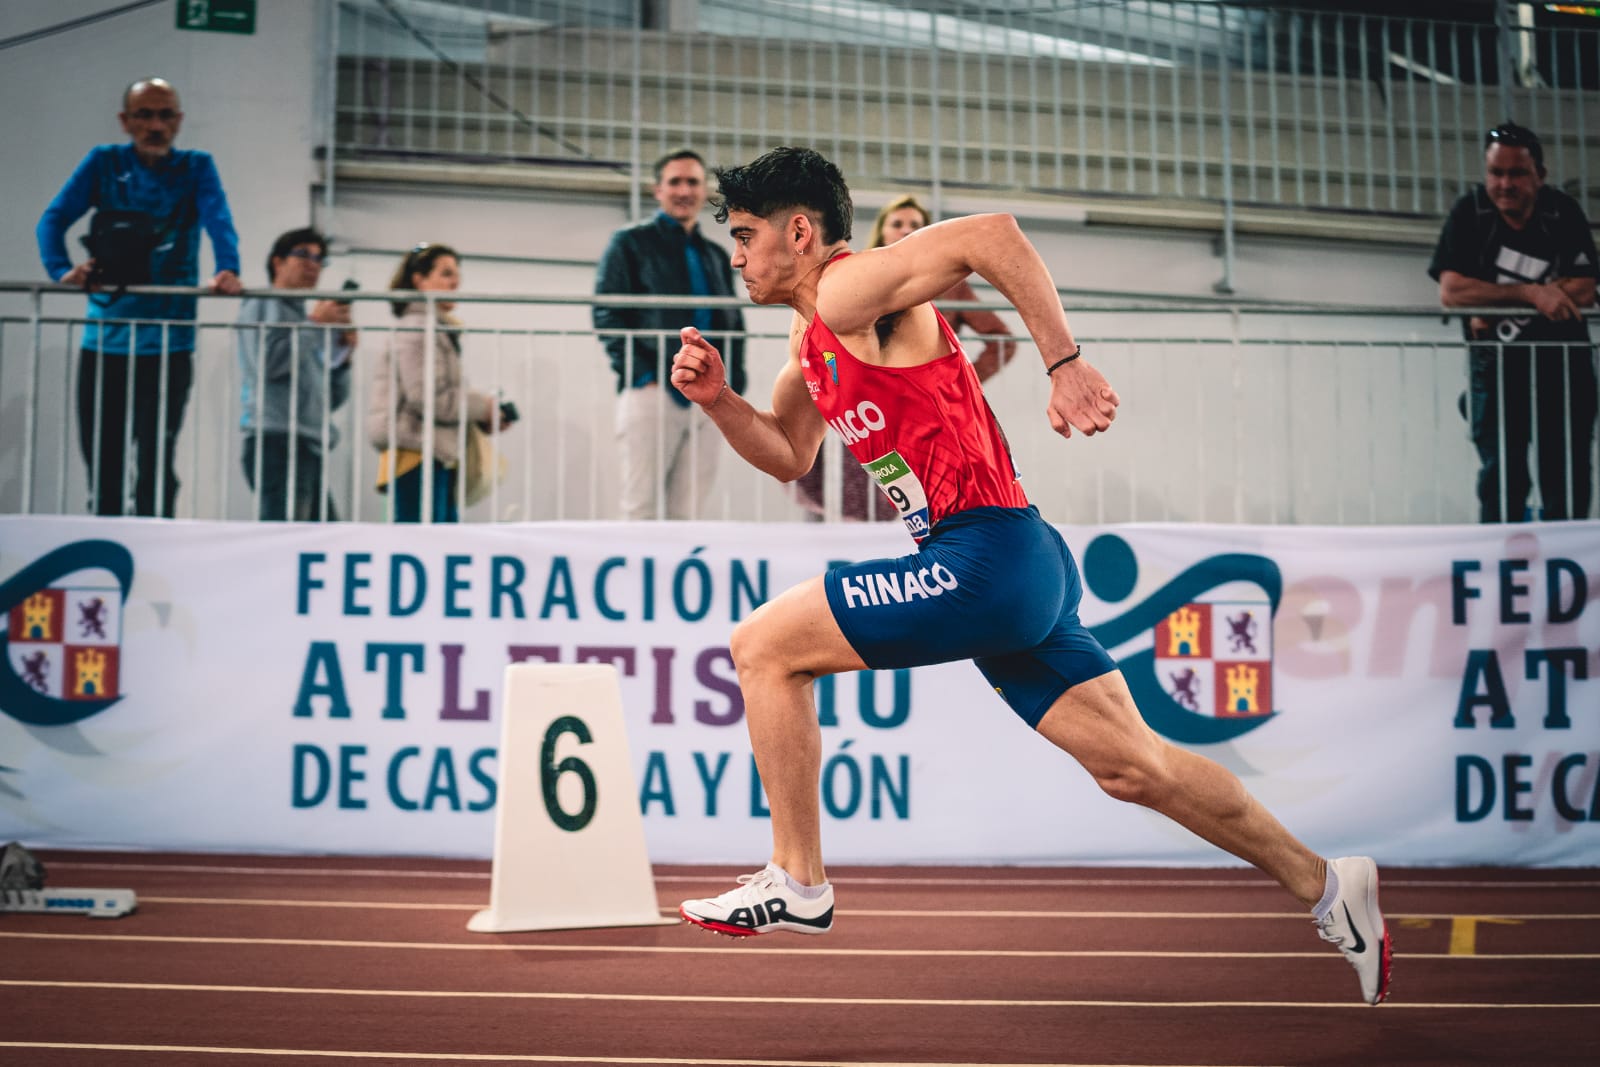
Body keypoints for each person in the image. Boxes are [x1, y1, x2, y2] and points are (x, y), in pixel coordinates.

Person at [670, 147, 1392, 1006]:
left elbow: (991, 235)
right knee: (1137, 767)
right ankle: (1326, 883)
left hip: (982, 556)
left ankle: (798, 877)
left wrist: (1063, 360)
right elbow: (790, 452)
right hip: (1021, 562)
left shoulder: (844, 289)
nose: (737, 256)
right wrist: (719, 402)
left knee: (763, 645)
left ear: (800, 232)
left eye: (747, 236)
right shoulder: (811, 339)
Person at [36, 76, 243, 517]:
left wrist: (228, 267)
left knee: (156, 463)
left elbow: (217, 219)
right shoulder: (103, 163)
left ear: (179, 121)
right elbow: (51, 220)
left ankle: (156, 552)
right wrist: (61, 270)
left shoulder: (197, 167)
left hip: (170, 343)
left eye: (165, 115)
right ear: (125, 121)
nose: (155, 125)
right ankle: (108, 551)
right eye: (144, 115)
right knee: (103, 464)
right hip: (105, 341)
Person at [793, 193, 1019, 521]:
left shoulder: (950, 285)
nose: (905, 230)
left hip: (924, 417)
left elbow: (1002, 340)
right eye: (897, 223)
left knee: (916, 507)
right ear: (882, 231)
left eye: (915, 224)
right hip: (866, 407)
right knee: (847, 499)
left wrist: (958, 382)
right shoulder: (859, 275)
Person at [1429, 122, 1598, 522]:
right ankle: (1499, 571)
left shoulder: (1563, 211)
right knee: (1501, 480)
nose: (1505, 183)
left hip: (1563, 370)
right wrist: (1532, 294)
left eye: (1517, 173)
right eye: (1495, 173)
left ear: (1540, 175)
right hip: (1496, 370)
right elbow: (1452, 292)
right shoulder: (1470, 213)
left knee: (1566, 479)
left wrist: (1492, 304)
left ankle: (1567, 573)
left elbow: (1587, 288)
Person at [594, 148, 747, 520]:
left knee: (690, 510)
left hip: (710, 395)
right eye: (675, 181)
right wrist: (641, 374)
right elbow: (607, 312)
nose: (684, 190)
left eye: (693, 182)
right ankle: (636, 580)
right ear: (657, 190)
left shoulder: (714, 252)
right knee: (640, 506)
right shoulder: (629, 242)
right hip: (653, 389)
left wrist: (733, 384)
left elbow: (733, 321)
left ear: (703, 190)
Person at [366, 243, 512, 523]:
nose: (455, 281)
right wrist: (483, 407)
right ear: (419, 280)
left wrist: (482, 413)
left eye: (457, 274)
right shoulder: (419, 326)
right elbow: (427, 396)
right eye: (446, 273)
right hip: (417, 455)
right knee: (426, 544)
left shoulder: (433, 328)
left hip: (430, 454)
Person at [234, 228, 355, 521]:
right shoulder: (261, 303)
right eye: (302, 254)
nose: (312, 264)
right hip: (275, 443)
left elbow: (329, 399)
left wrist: (343, 358)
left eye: (319, 258)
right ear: (277, 262)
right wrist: (315, 325)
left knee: (322, 543)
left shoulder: (304, 321)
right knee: (289, 542)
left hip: (304, 445)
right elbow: (268, 364)